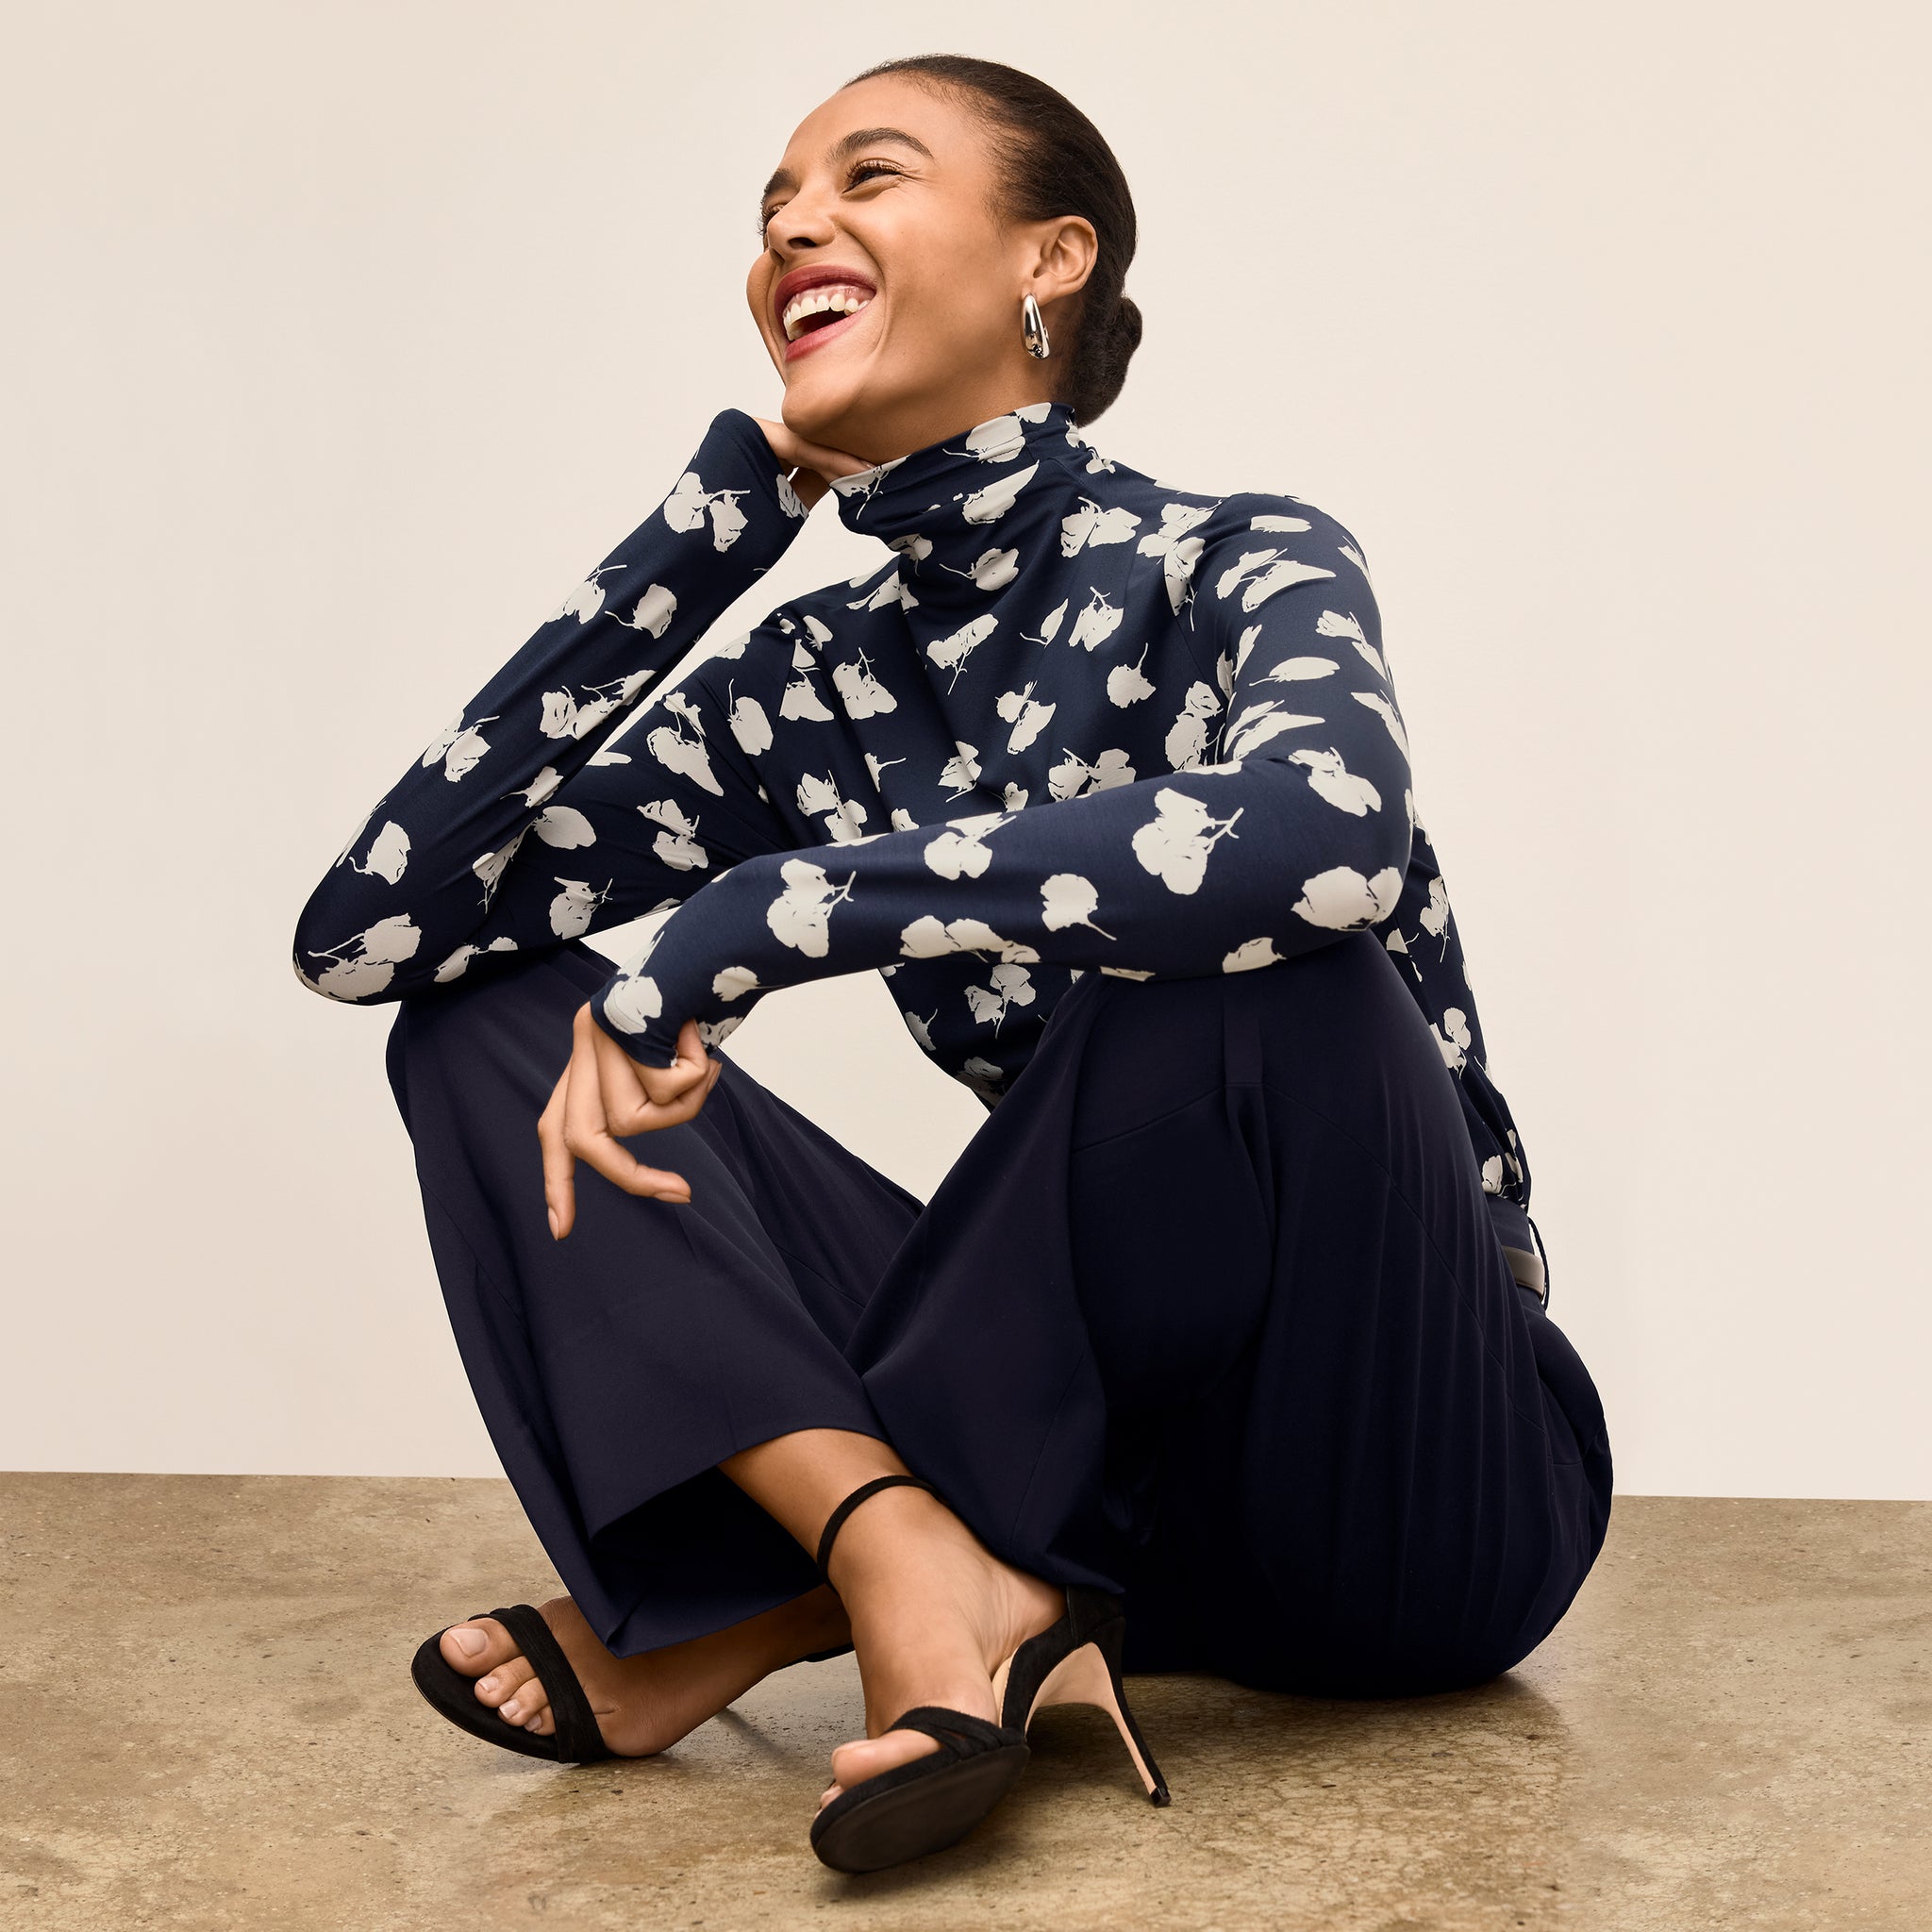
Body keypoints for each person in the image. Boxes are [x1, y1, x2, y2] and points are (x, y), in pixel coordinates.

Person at [291, 52, 1611, 1874]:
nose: (794, 226)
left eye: (870, 176)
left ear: (1045, 261)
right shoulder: (810, 681)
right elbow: (371, 931)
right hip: (1108, 1483)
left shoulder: (1237, 560)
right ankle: (906, 1557)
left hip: (1405, 1482)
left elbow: (1329, 838)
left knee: (1247, 955)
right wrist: (709, 535)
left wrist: (768, 911)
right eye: (772, 204)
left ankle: (767, 1608)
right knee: (489, 1025)